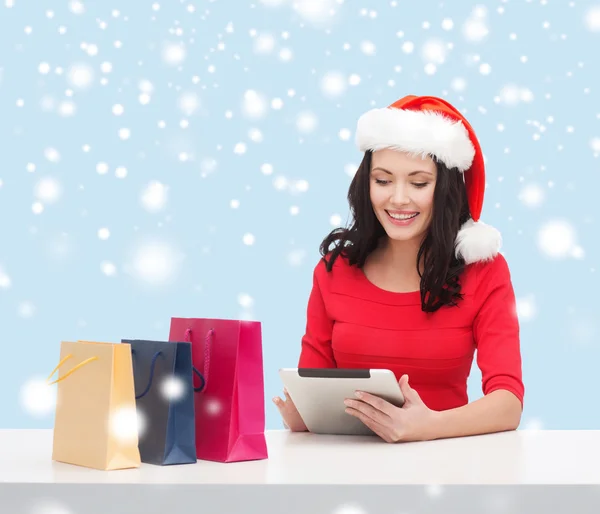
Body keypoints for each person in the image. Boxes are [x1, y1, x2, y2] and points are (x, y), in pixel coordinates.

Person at [273, 95, 524, 443]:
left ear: (445, 189)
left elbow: (508, 404)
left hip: (445, 463)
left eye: (419, 183)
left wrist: (423, 428)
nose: (399, 199)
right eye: (383, 180)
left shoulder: (485, 272)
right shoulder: (334, 271)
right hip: (345, 468)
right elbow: (313, 384)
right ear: (366, 183)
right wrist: (303, 415)